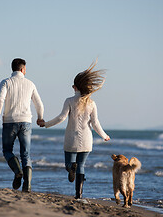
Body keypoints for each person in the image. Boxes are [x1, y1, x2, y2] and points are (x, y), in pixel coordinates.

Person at [39, 60, 110, 199]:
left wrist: (46, 124)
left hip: (71, 139)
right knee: (81, 166)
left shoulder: (69, 100)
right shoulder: (91, 103)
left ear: (75, 87)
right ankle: (79, 195)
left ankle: (70, 168)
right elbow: (95, 123)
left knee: (69, 164)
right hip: (86, 141)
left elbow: (61, 118)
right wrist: (104, 135)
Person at [0, 58, 44, 193]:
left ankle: (17, 171)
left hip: (9, 121)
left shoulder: (6, 82)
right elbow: (39, 103)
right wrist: (40, 118)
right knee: (26, 154)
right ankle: (27, 186)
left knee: (7, 151)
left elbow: (0, 98)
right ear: (22, 69)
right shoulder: (30, 84)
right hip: (26, 121)